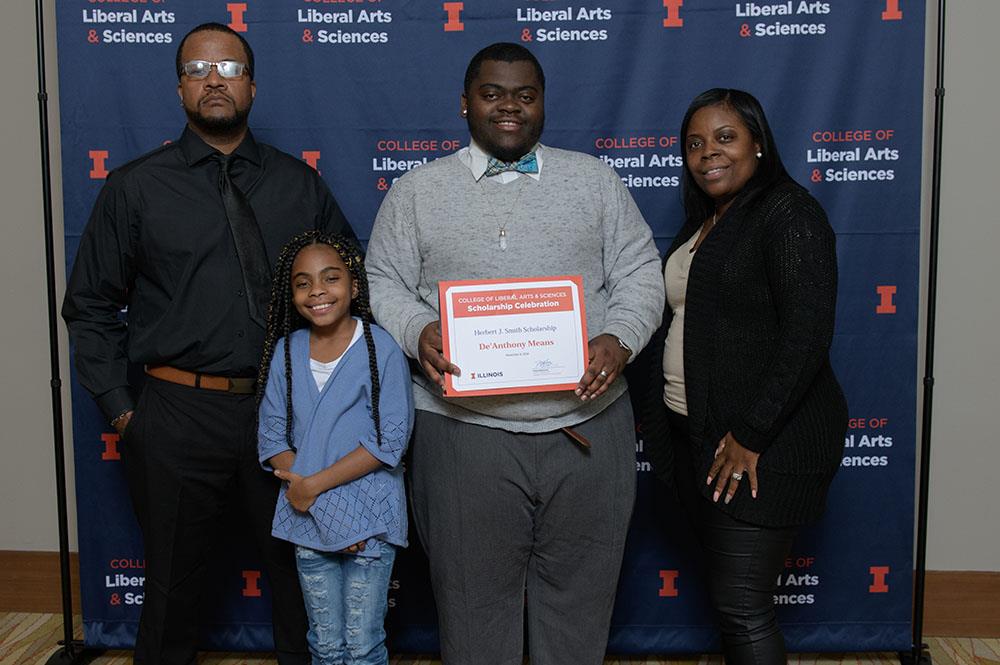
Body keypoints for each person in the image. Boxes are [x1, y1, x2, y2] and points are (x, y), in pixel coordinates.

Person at [62, 22, 355, 665]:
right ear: (179, 89)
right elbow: (88, 306)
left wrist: (331, 402)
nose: (214, 80)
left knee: (301, 581)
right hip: (174, 411)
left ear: (252, 85)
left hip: (286, 411)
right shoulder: (135, 188)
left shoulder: (297, 185)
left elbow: (351, 285)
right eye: (199, 69)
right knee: (170, 587)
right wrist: (125, 412)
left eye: (228, 68)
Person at [365, 42, 664, 664]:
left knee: (579, 608)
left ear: (543, 103)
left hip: (587, 424)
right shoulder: (417, 191)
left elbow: (640, 270)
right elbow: (383, 280)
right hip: (462, 433)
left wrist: (622, 337)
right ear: (465, 103)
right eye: (493, 93)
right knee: (473, 611)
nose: (510, 107)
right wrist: (418, 327)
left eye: (525, 95)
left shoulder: (595, 181)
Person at [638, 88, 848, 664]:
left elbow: (806, 335)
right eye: (695, 143)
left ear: (758, 143)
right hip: (702, 439)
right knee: (734, 602)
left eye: (726, 137)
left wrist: (752, 435)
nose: (710, 153)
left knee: (742, 606)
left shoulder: (787, 212)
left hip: (762, 446)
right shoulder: (706, 222)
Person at [256, 231, 413, 665]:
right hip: (308, 520)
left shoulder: (381, 348)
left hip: (369, 520)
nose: (318, 292)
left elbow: (388, 442)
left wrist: (320, 497)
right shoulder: (286, 353)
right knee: (324, 647)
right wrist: (324, 516)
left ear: (354, 285)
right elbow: (272, 439)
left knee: (362, 647)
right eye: (303, 283)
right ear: (291, 294)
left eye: (331, 278)